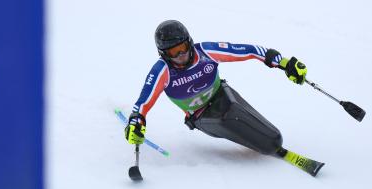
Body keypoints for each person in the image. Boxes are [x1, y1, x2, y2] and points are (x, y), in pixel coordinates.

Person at [124, 20, 321, 173]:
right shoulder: (162, 71)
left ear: (190, 42)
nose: (181, 55)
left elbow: (250, 51)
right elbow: (142, 104)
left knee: (247, 119)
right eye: (173, 52)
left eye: (183, 48)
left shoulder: (206, 51)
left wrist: (284, 63)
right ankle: (268, 143)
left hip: (223, 94)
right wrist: (136, 122)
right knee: (232, 119)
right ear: (163, 54)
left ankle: (269, 142)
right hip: (200, 116)